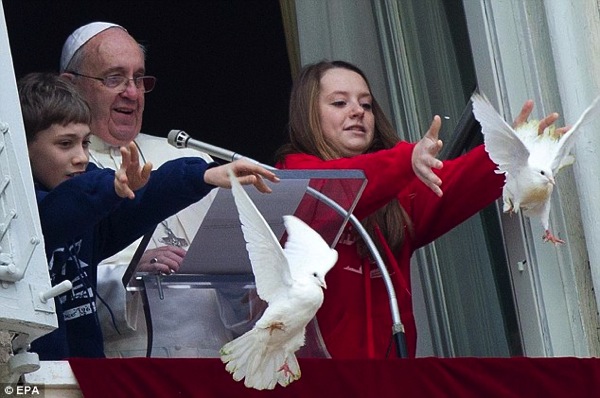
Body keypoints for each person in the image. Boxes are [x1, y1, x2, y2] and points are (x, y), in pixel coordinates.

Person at [275, 60, 566, 359]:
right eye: (339, 102)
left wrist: (517, 155)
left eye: (366, 104)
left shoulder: (396, 191)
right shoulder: (292, 180)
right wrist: (405, 159)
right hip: (313, 382)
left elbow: (456, 181)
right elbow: (337, 187)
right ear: (308, 115)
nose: (358, 111)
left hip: (389, 382)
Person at [19, 72, 278, 359]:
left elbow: (145, 199)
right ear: (22, 147)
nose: (81, 157)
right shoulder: (19, 214)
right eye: (65, 144)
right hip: (24, 375)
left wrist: (203, 176)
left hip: (82, 373)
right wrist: (111, 188)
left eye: (85, 143)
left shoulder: (91, 204)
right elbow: (56, 214)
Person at [58, 22, 235, 357]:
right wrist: (128, 275)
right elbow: (52, 284)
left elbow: (238, 279)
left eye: (139, 78)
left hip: (217, 359)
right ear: (72, 86)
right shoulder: (57, 168)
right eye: (114, 78)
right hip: (125, 365)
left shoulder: (188, 157)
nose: (132, 93)